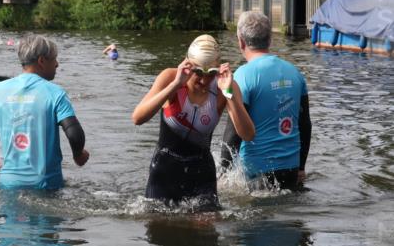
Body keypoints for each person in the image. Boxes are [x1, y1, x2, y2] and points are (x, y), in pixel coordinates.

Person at [132, 34, 255, 207]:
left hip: (202, 171)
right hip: (165, 169)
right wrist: (175, 85)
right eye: (198, 72)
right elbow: (137, 118)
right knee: (159, 226)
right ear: (187, 65)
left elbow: (248, 135)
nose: (204, 80)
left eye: (210, 73)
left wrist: (229, 95)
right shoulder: (170, 77)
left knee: (207, 229)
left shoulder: (225, 87)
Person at [0, 34, 90, 190]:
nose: (57, 64)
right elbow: (73, 132)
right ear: (41, 61)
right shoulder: (55, 93)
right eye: (54, 59)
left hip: (8, 184)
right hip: (46, 185)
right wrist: (78, 155)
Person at [221, 11, 312, 190]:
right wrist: (301, 167)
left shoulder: (242, 76)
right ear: (270, 39)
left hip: (256, 176)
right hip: (291, 170)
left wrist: (223, 173)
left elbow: (233, 132)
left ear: (240, 41)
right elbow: (305, 124)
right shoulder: (295, 73)